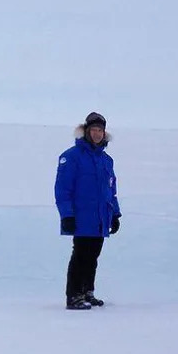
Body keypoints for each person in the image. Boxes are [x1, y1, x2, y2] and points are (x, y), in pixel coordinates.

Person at [55, 112, 122, 310]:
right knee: (81, 254)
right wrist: (67, 215)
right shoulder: (71, 157)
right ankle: (73, 295)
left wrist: (115, 214)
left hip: (100, 217)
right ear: (86, 131)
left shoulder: (106, 160)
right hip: (81, 217)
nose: (97, 134)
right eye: (93, 130)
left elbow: (111, 190)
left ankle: (87, 291)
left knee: (93, 255)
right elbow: (62, 189)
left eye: (100, 130)